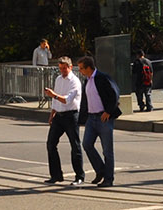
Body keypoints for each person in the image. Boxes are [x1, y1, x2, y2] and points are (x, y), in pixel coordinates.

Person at [76, 56, 118, 188]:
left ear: (89, 67)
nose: (80, 71)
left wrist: (108, 111)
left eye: (82, 68)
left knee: (107, 151)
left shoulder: (102, 77)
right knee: (87, 144)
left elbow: (115, 94)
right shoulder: (87, 81)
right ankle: (100, 170)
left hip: (103, 118)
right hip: (91, 118)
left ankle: (108, 178)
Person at [41, 56, 84, 186]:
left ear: (70, 67)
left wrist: (53, 95)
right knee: (51, 144)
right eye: (60, 68)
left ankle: (79, 176)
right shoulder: (58, 79)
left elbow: (67, 99)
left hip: (71, 115)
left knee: (75, 145)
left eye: (64, 68)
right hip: (59, 115)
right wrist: (52, 113)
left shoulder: (75, 81)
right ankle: (56, 174)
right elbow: (56, 99)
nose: (62, 71)